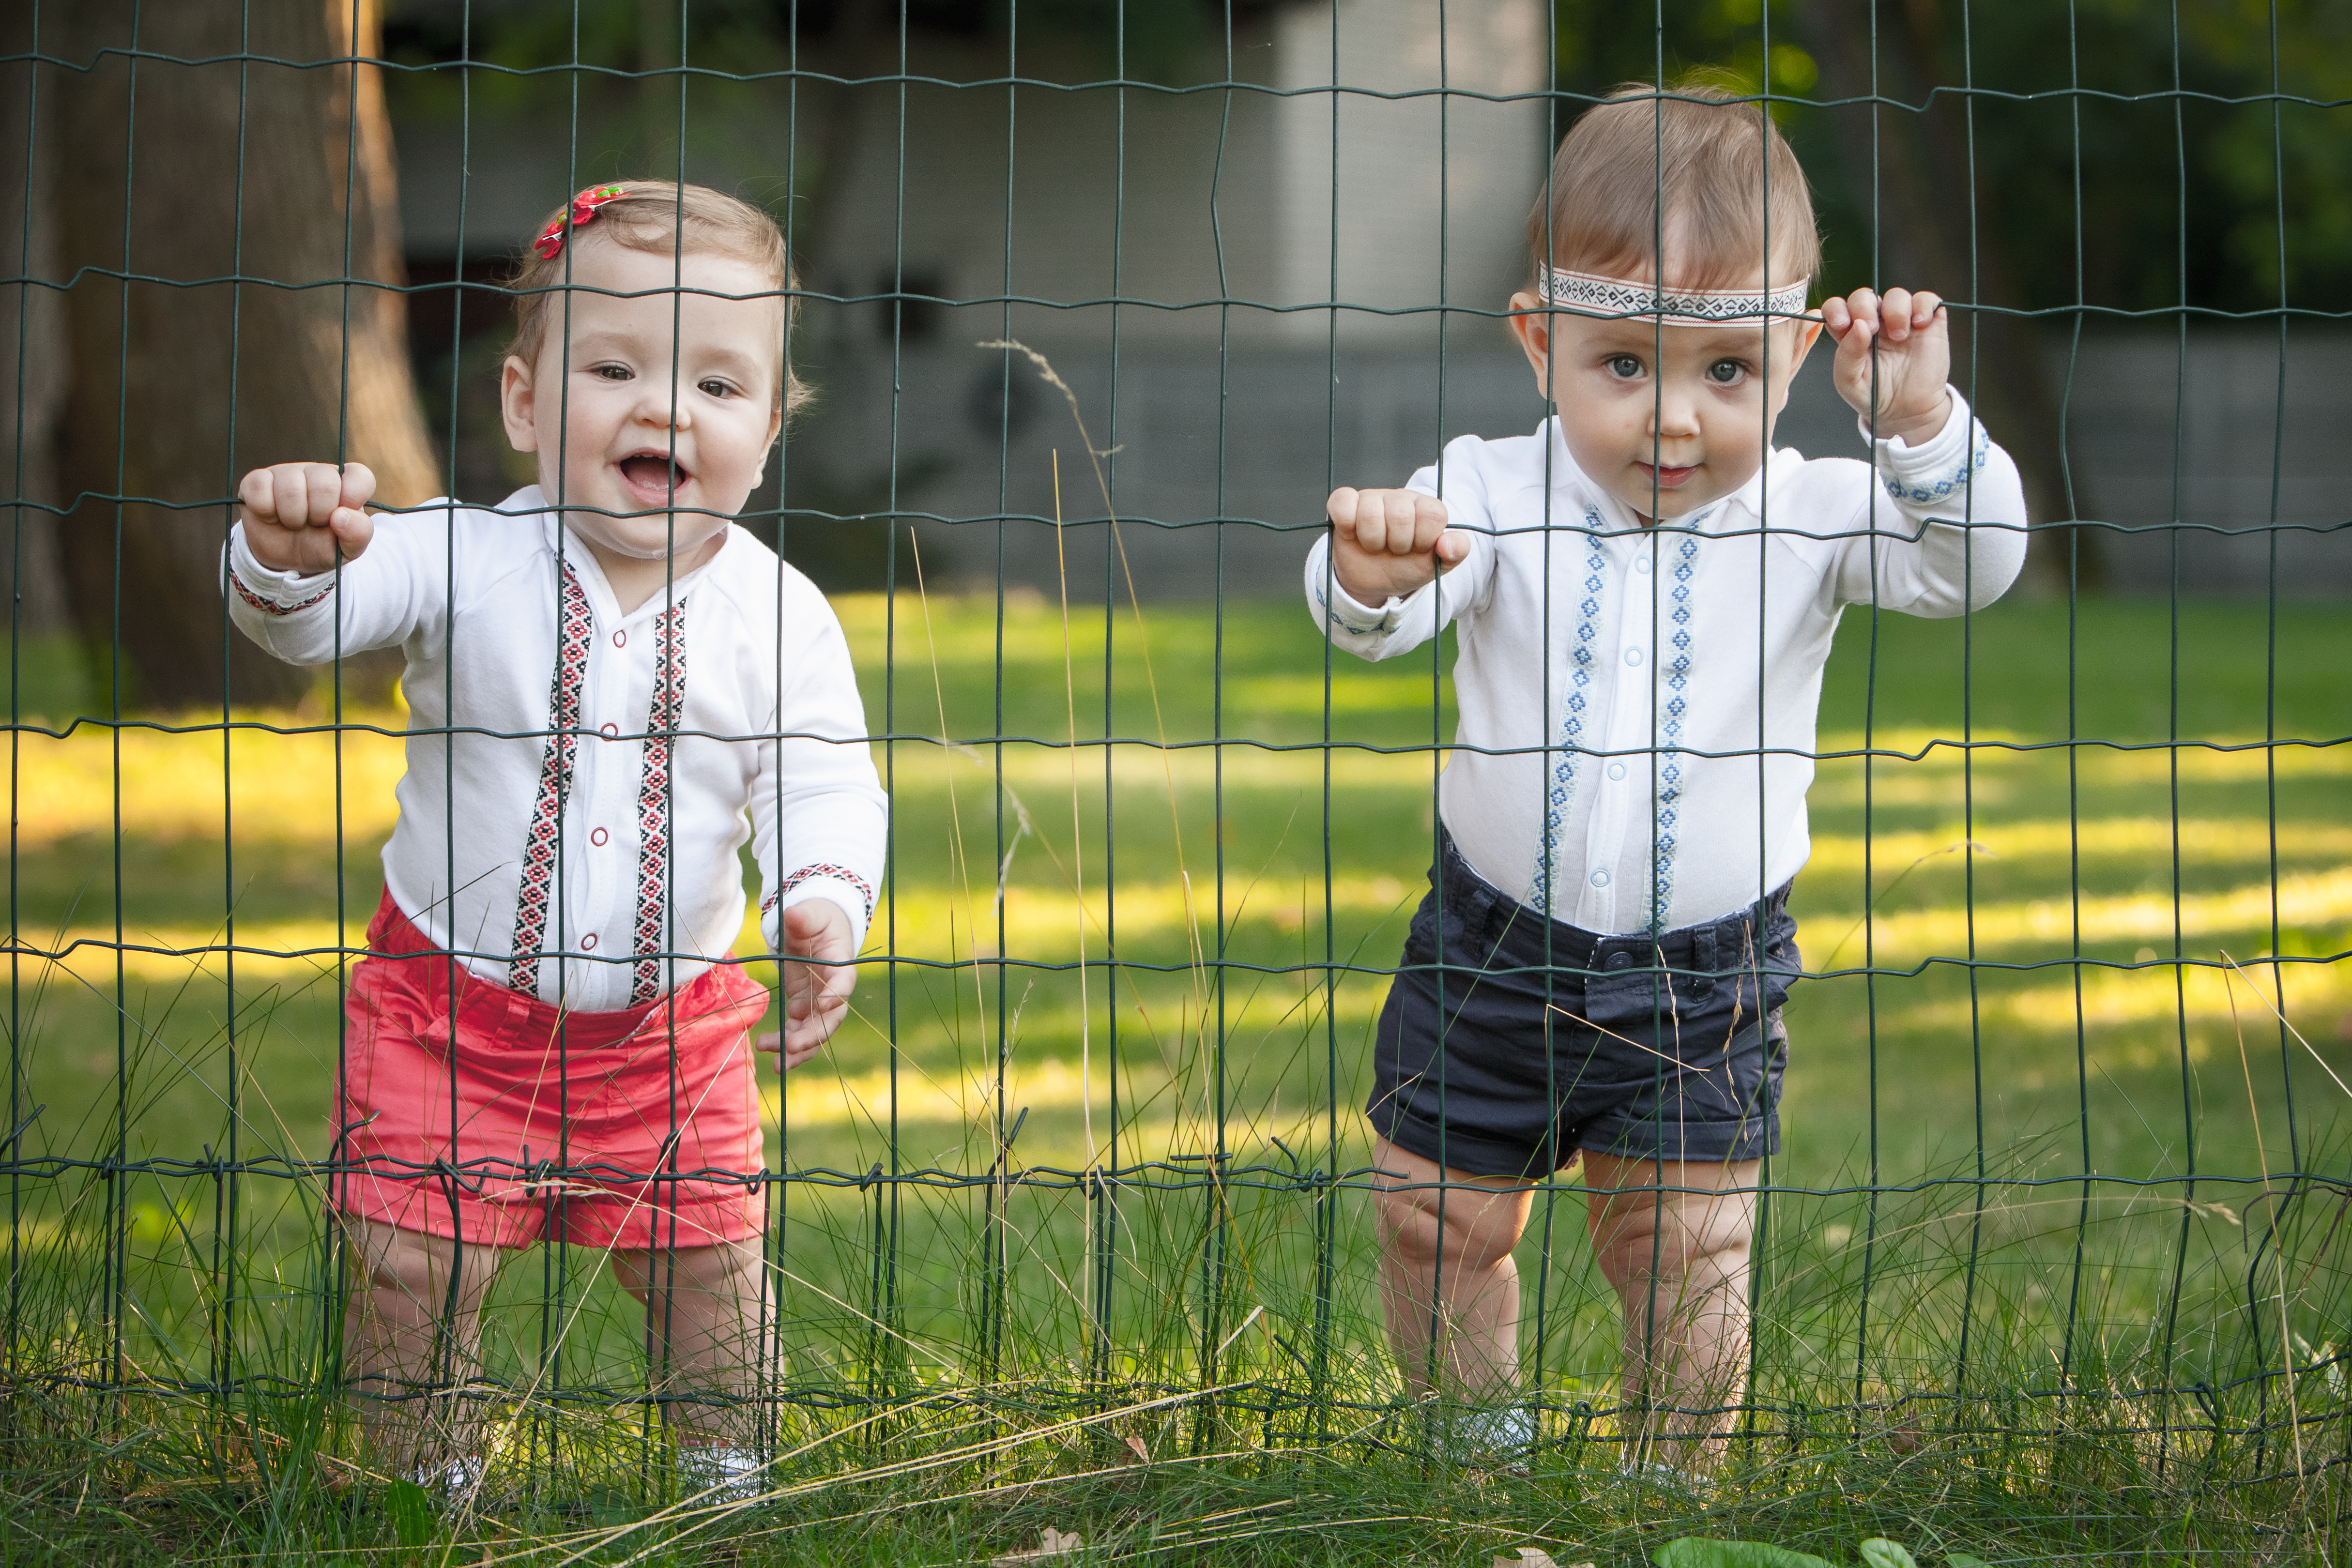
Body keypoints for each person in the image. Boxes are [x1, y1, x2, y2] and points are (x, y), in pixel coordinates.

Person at [1304, 80, 2027, 1468]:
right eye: (1623, 367)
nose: (1674, 419)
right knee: (1429, 1214)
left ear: (1801, 353)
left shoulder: (1816, 511)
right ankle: (1472, 1452)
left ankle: (1663, 1489)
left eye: (1727, 370)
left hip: (1706, 972)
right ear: (1539, 345)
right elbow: (1370, 619)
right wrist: (1366, 569)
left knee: (1683, 1244)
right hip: (1490, 947)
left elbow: (1974, 565)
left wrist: (1920, 421)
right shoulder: (1491, 489)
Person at [225, 181, 886, 1501]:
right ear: (527, 403)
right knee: (412, 1262)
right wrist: (286, 556)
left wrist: (821, 897)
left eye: (717, 383)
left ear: (768, 426)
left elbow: (823, 776)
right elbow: (311, 619)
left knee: (709, 1263)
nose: (666, 408)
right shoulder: (462, 558)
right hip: (445, 1009)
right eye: (615, 366)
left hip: (672, 1024)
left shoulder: (779, 611)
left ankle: (729, 1479)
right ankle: (428, 1494)